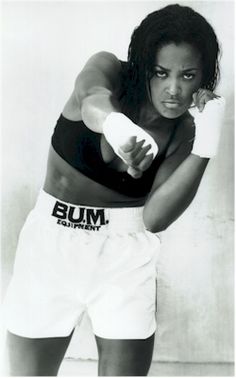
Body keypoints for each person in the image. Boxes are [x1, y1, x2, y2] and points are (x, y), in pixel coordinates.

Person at [3, 3, 225, 376]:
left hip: (125, 259)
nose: (173, 89)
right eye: (161, 72)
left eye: (187, 76)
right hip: (51, 245)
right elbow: (91, 99)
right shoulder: (110, 72)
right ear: (142, 66)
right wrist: (117, 128)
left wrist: (209, 140)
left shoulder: (185, 129)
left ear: (202, 79)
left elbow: (154, 219)